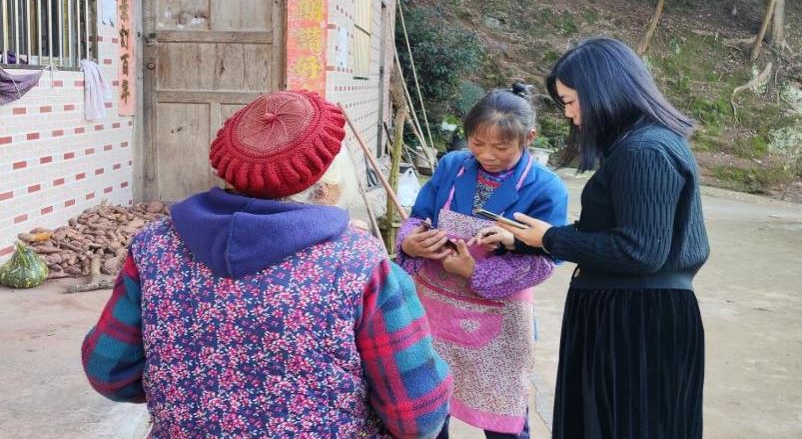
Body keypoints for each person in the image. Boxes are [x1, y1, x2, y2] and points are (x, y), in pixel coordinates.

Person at [81, 90, 453, 438]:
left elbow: (107, 370)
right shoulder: (360, 264)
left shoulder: (155, 247)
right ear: (326, 186)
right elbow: (417, 416)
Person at [492, 38, 710, 439]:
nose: (572, 116)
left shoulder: (645, 151)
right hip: (627, 314)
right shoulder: (637, 145)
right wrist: (525, 239)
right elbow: (615, 235)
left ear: (605, 90)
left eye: (572, 102)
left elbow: (640, 251)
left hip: (636, 324)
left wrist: (552, 239)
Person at [395, 83, 568, 438]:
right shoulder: (452, 166)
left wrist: (475, 271)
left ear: (528, 137)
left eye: (501, 147)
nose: (487, 155)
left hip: (497, 317)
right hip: (434, 311)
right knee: (430, 402)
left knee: (503, 414)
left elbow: (546, 261)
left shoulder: (545, 188)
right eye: (477, 143)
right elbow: (420, 215)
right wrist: (411, 243)